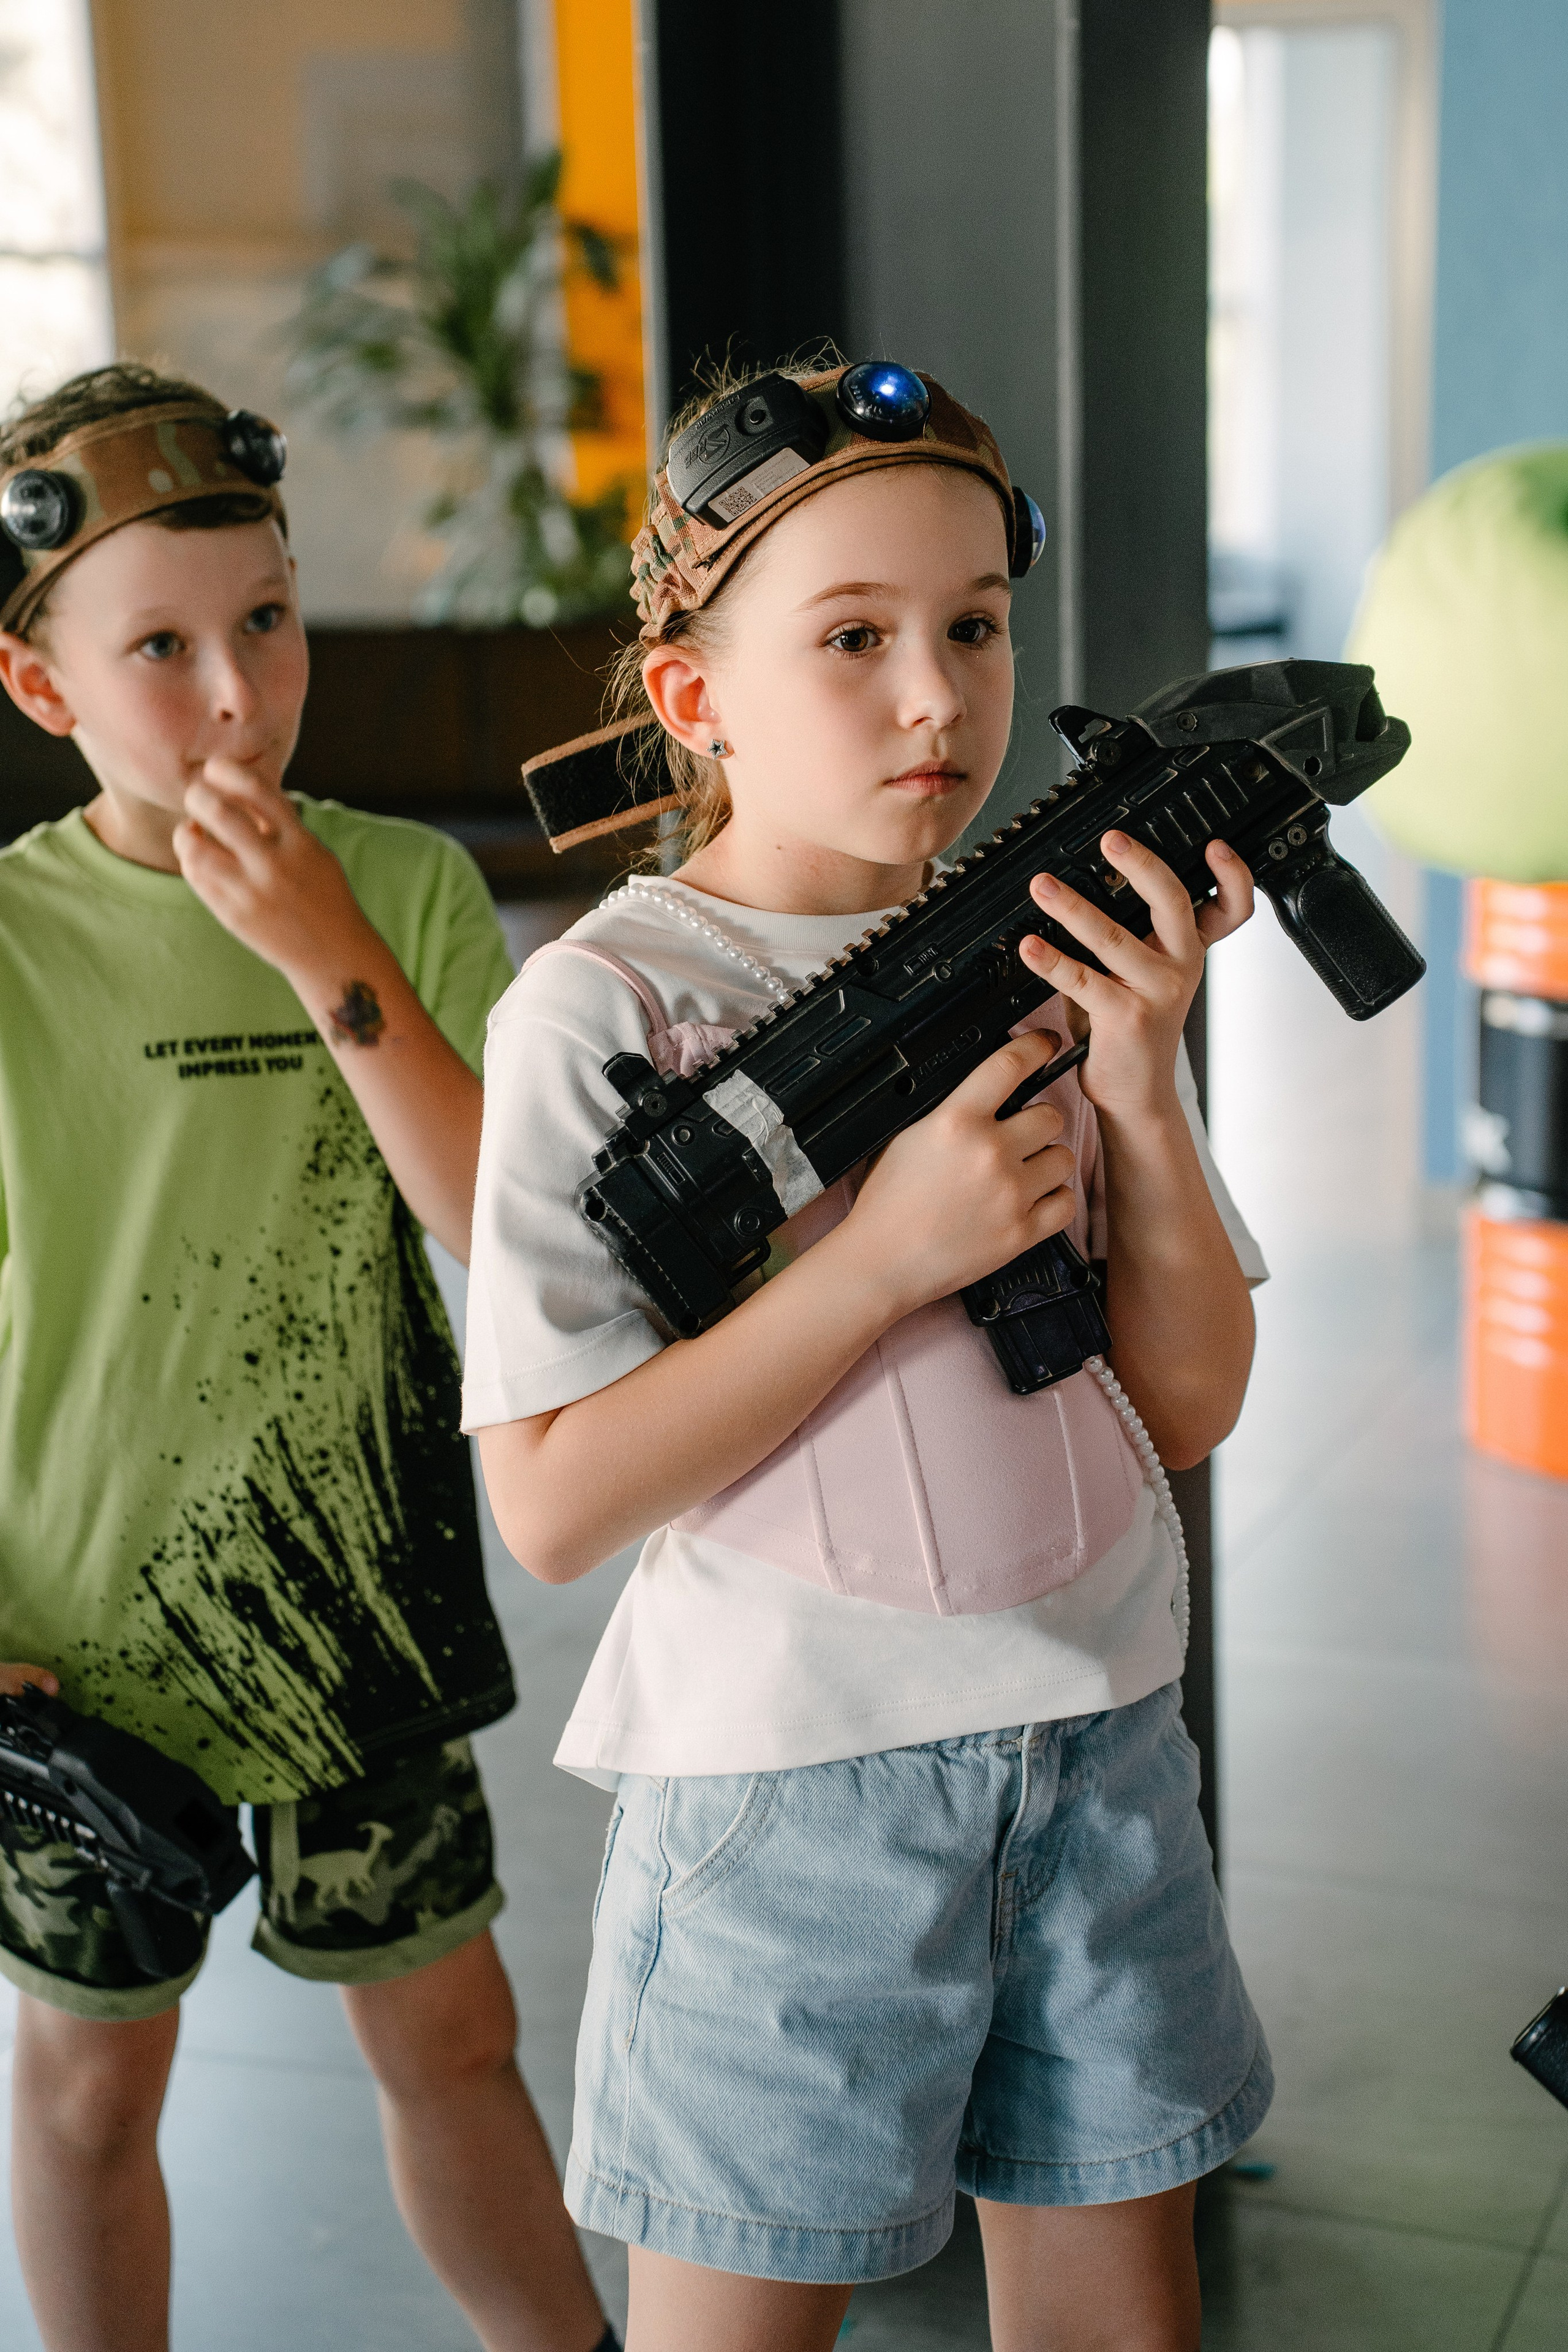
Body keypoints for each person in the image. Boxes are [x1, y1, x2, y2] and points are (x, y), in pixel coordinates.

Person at [464, 360, 1273, 2352]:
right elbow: (553, 1504)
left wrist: (1141, 1081)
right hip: (789, 1804)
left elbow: (1185, 1405)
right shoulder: (605, 1011)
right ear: (695, 695)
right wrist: (884, 1259)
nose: (938, 698)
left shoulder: (1059, 944)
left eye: (976, 628)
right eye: (854, 639)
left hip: (1101, 1748)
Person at [0, 364, 614, 2352]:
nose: (236, 696)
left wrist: (323, 949)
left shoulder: (405, 891)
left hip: (361, 1599)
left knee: (455, 2039)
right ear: (40, 686)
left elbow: (503, 1237)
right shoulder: (8, 944)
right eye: (160, 649)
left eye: (266, 621)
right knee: (91, 2086)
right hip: (81, 1645)